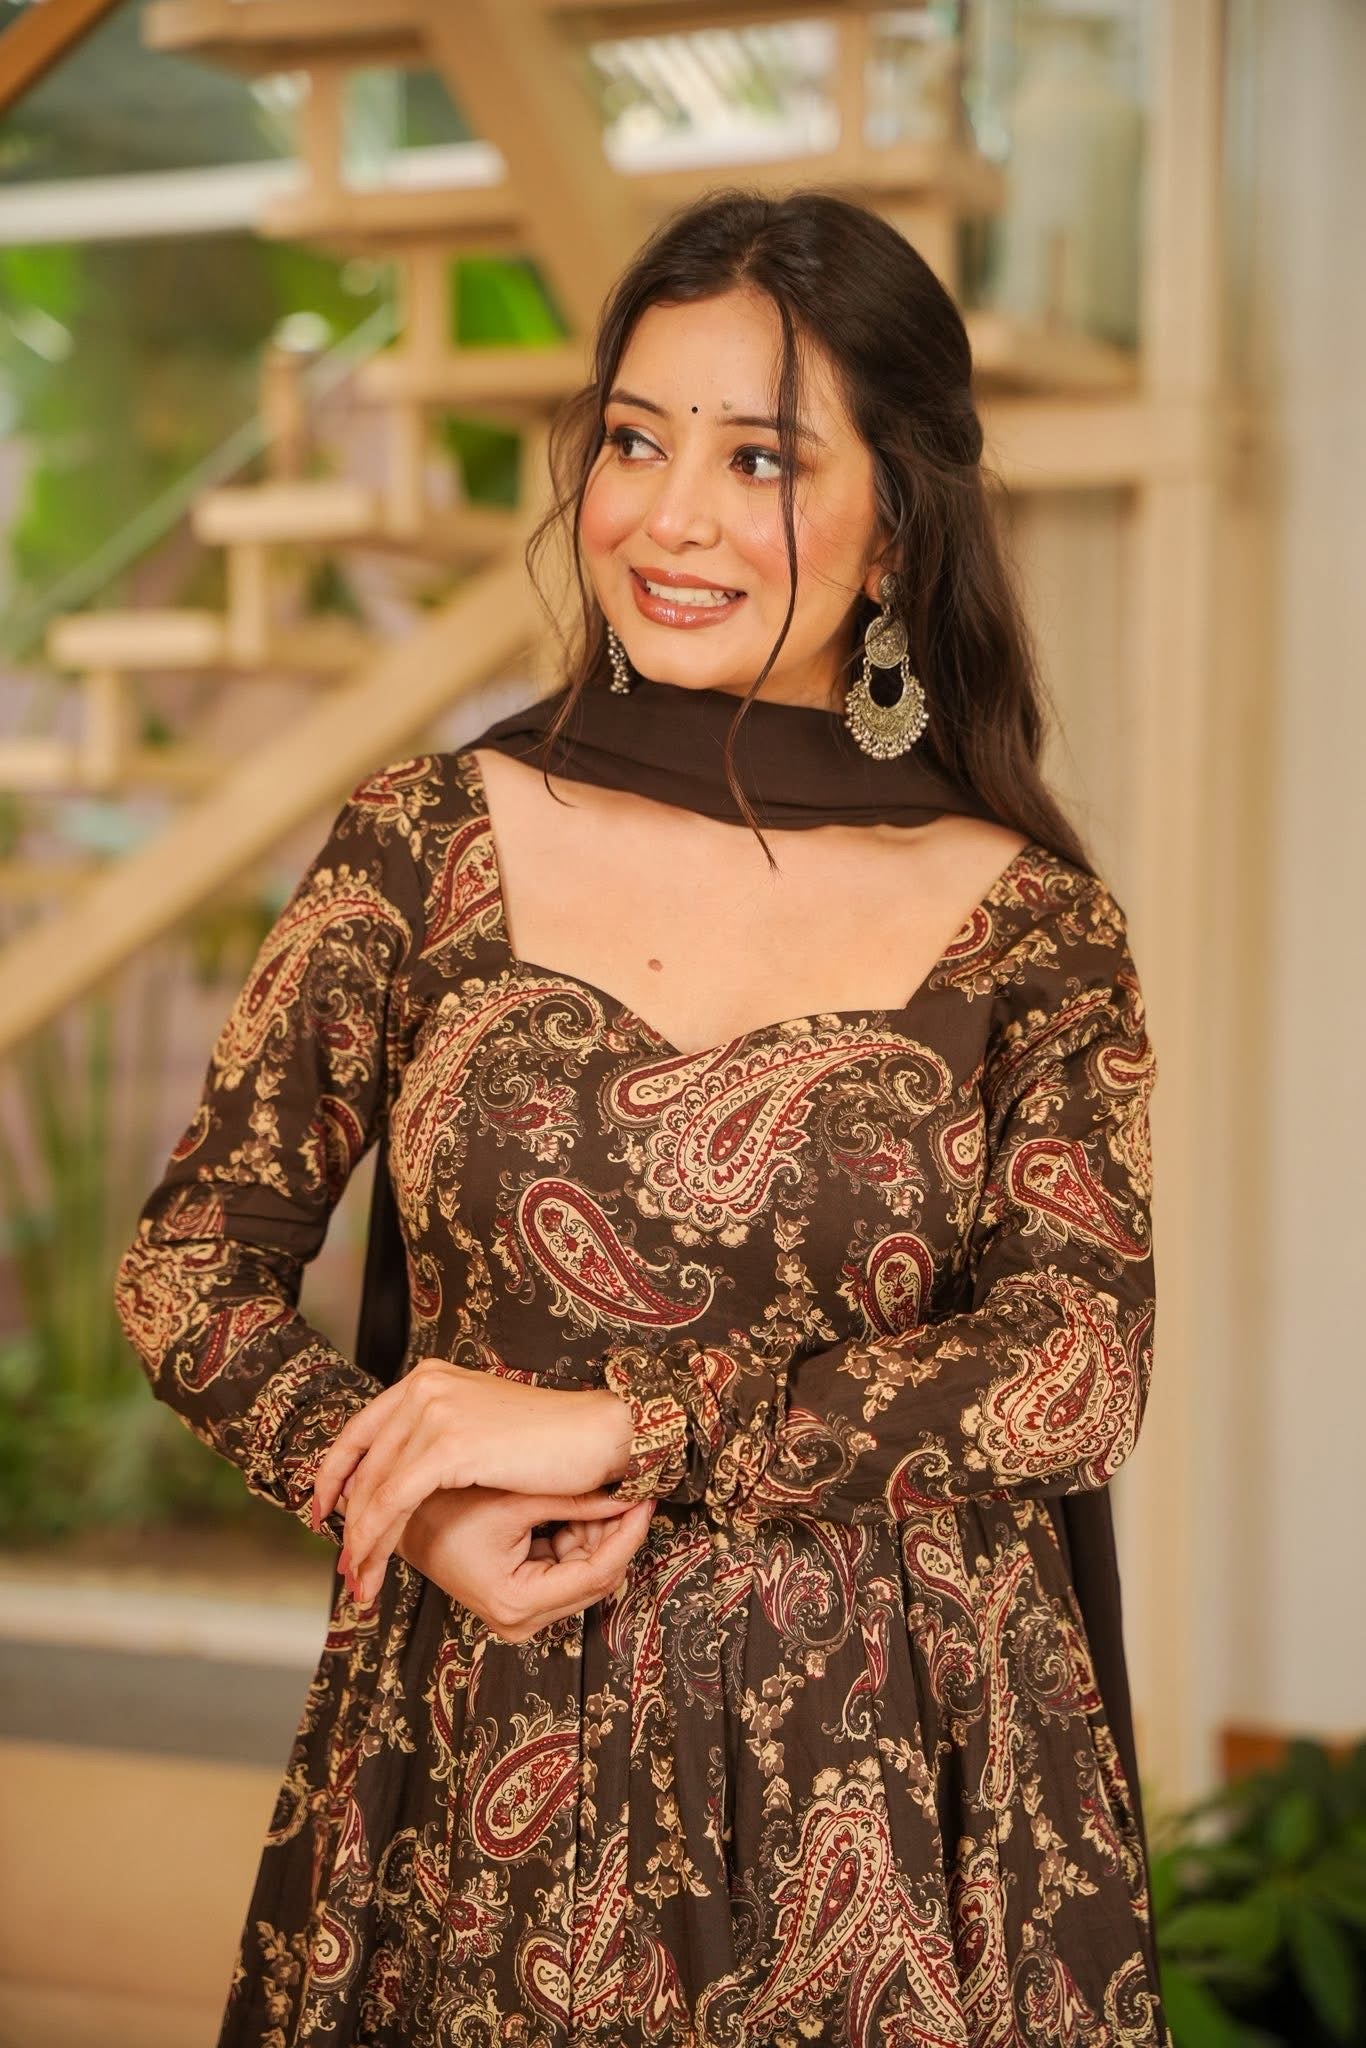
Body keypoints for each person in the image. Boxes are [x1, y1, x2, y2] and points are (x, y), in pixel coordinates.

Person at [114, 187, 1169, 2047]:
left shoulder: (1031, 926)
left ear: (896, 523)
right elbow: (190, 1268)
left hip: (911, 1788)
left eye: (759, 458)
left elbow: (1076, 1364)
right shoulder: (426, 841)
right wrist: (403, 1501)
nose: (667, 517)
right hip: (486, 1747)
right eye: (631, 440)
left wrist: (634, 1423)